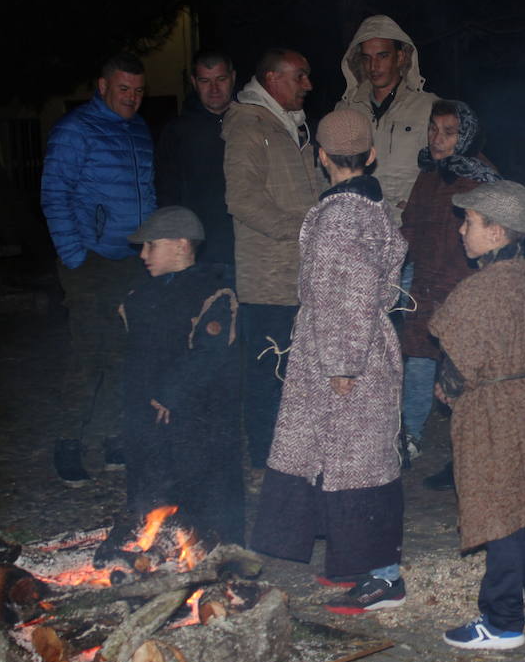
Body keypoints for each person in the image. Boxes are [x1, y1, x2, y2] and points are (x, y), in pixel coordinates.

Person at [250, 108, 409, 613]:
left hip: (344, 353)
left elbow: (349, 294)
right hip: (358, 346)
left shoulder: (341, 216)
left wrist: (342, 365)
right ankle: (356, 562)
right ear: (372, 154)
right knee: (345, 461)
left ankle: (385, 578)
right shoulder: (370, 204)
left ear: (320, 157)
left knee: (359, 465)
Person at [431, 180, 525, 650]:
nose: (462, 231)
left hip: (492, 406)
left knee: (500, 508)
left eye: (469, 222)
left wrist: (448, 390)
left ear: (497, 232)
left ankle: (503, 619)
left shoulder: (479, 291)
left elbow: (454, 370)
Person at [40, 52, 155, 487]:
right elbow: (55, 194)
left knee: (123, 355)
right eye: (124, 89)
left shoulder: (139, 131)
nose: (132, 98)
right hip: (90, 260)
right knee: (88, 355)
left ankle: (113, 439)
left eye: (139, 90)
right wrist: (75, 255)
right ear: (103, 86)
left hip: (130, 261)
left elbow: (147, 192)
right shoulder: (75, 131)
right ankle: (68, 444)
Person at [119, 206, 243, 543]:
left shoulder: (213, 292)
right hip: (149, 422)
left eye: (151, 245)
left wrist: (170, 393)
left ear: (180, 244)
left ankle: (212, 552)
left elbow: (209, 355)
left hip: (198, 420)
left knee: (202, 497)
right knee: (154, 493)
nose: (143, 255)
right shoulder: (140, 295)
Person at [223, 48, 321, 470]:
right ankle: (266, 453)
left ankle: (292, 449)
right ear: (271, 79)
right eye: (299, 76)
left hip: (297, 273)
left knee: (296, 369)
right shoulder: (249, 127)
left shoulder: (290, 126)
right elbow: (242, 200)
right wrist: (302, 228)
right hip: (267, 277)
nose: (308, 85)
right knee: (267, 371)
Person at [399, 101, 498, 486]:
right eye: (433, 129)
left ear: (467, 135)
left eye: (449, 132)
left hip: (462, 287)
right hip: (425, 283)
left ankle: (468, 454)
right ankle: (409, 436)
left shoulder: (479, 178)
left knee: (464, 376)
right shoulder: (429, 174)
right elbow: (412, 226)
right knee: (420, 362)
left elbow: (492, 240)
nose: (438, 139)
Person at [337, 16, 438, 225]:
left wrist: (421, 204)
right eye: (366, 58)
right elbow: (327, 168)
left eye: (382, 56)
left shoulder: (430, 108)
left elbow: (449, 168)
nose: (374, 66)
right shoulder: (344, 110)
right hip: (356, 227)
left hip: (406, 226)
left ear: (400, 57)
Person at [155, 50, 238, 267]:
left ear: (233, 78)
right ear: (194, 82)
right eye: (205, 81)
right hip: (201, 249)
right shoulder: (176, 131)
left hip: (248, 246)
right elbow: (167, 193)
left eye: (221, 79)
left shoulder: (253, 124)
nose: (214, 89)